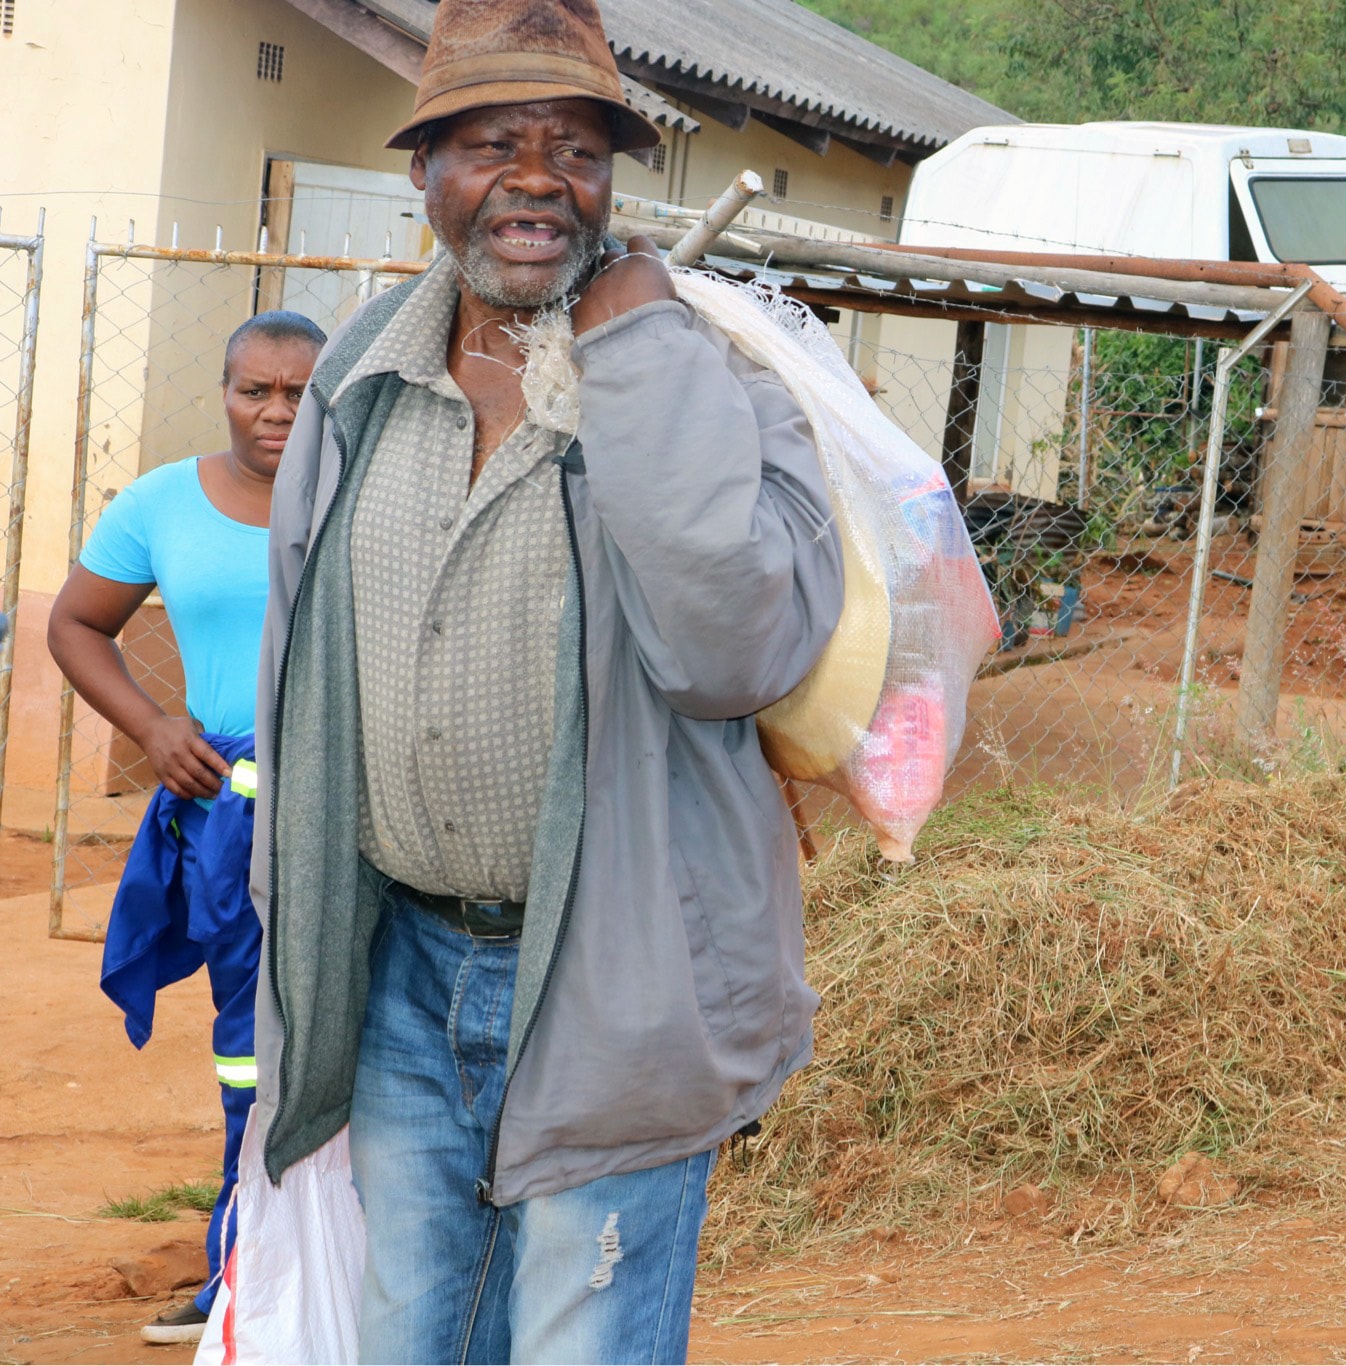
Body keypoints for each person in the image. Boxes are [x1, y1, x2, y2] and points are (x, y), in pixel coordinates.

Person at [248, 0, 845, 1360]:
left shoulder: (713, 378)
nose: (535, 177)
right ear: (424, 172)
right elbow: (300, 686)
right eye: (492, 142)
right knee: (415, 1339)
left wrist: (634, 353)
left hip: (614, 981)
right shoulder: (356, 382)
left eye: (575, 146)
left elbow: (731, 652)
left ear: (613, 179)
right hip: (400, 965)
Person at [47, 311, 327, 1346]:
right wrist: (154, 725)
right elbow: (74, 623)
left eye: (302, 392)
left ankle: (346, 1276)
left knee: (359, 1043)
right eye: (258, 389)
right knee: (249, 1053)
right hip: (228, 818)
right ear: (225, 388)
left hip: (348, 812)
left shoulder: (358, 495)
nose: (279, 411)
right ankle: (240, 1274)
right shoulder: (162, 500)